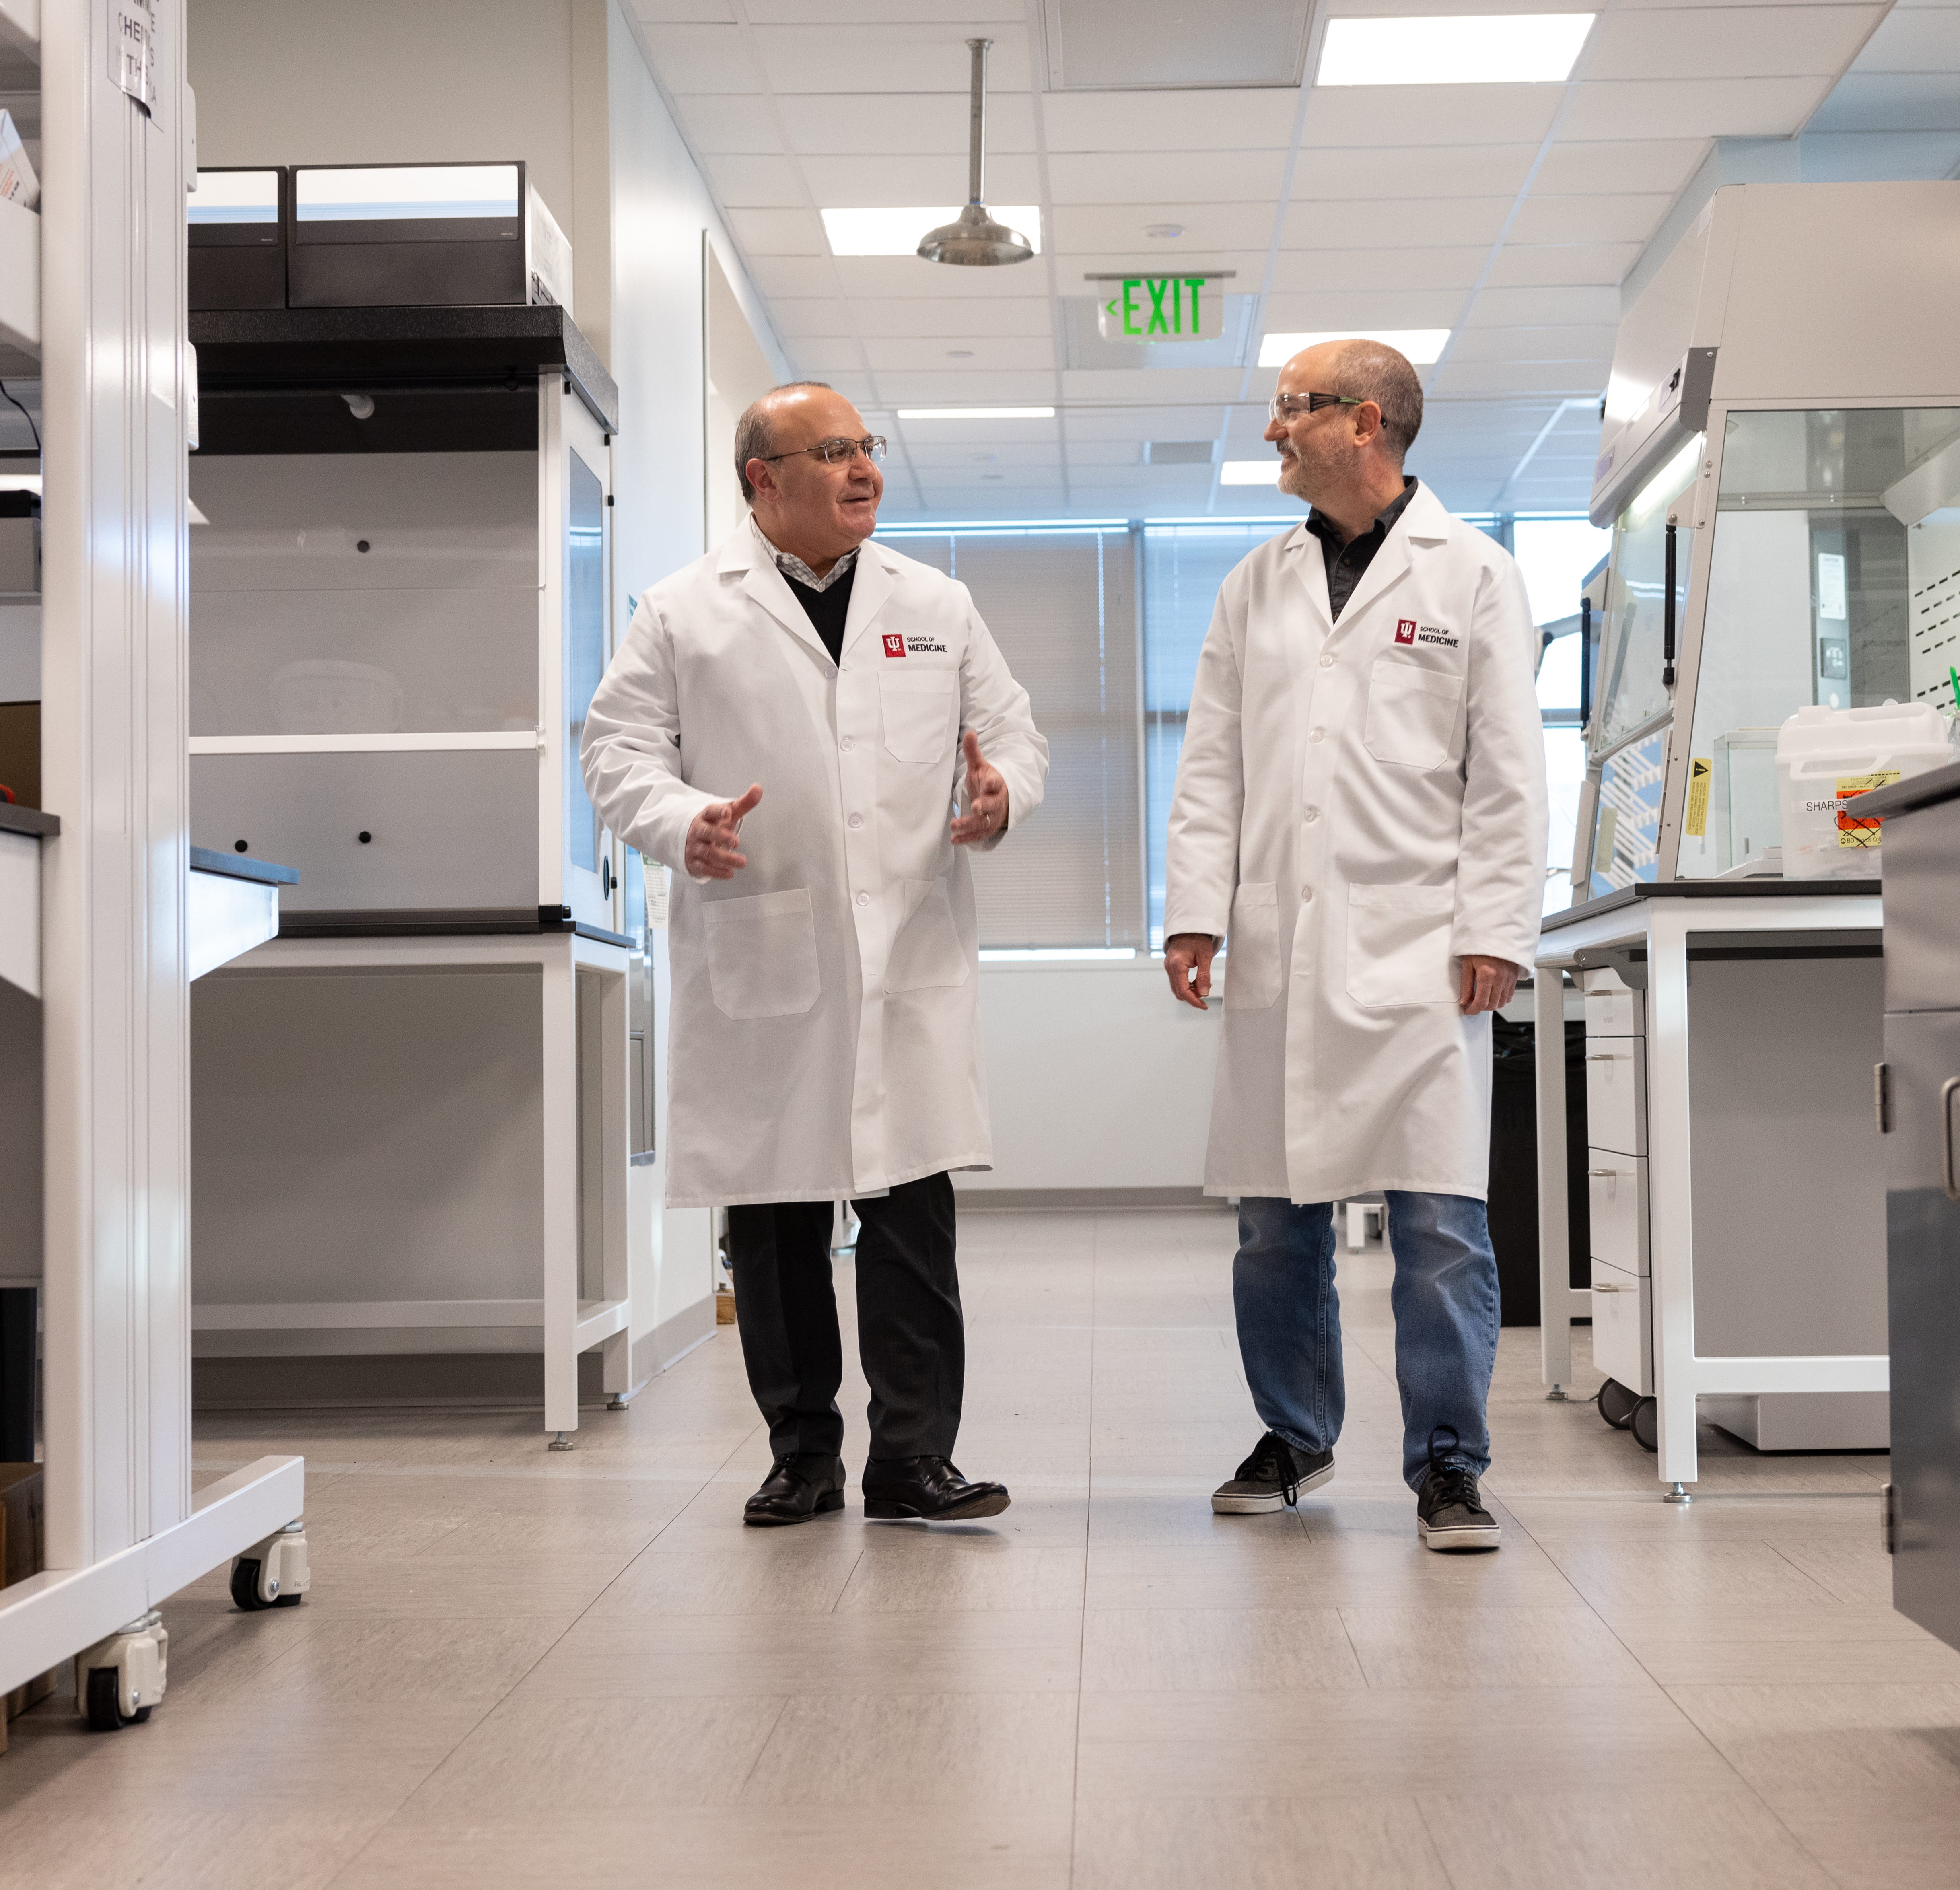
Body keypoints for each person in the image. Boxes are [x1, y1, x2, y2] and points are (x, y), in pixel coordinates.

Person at [582, 381, 1048, 1529]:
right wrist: (679, 820)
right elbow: (616, 750)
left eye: (865, 447)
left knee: (911, 1221)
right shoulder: (684, 611)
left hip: (907, 952)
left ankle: (913, 1460)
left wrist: (1002, 793)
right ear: (763, 479)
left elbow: (1013, 732)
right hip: (764, 944)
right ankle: (802, 1456)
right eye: (833, 451)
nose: (863, 469)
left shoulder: (934, 602)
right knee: (776, 1224)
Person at [1161, 341, 1548, 1552]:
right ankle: (1295, 1436)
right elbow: (1212, 762)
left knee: (1439, 1228)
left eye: (1293, 408)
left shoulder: (1473, 574)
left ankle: (1450, 1465)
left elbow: (1508, 772)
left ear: (1365, 421)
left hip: (1421, 944)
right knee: (1275, 1224)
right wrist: (1195, 909)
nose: (1272, 429)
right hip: (1282, 944)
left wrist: (1496, 924)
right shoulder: (1255, 584)